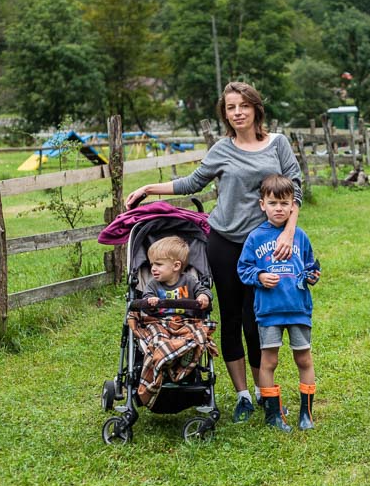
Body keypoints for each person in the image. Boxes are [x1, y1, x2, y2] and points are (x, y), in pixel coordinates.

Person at [125, 81, 303, 423]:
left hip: (264, 246)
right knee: (233, 319)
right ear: (225, 114)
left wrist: (289, 232)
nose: (237, 112)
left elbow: (296, 188)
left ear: (256, 109)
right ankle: (243, 396)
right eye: (230, 107)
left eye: (243, 106)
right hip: (223, 241)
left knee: (259, 321)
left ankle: (268, 393)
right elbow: (192, 183)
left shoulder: (277, 145)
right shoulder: (222, 148)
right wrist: (148, 188)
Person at [237, 174, 320, 432]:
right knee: (268, 361)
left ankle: (306, 414)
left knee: (304, 359)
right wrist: (260, 276)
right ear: (262, 204)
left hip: (297, 309)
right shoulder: (255, 238)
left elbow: (311, 265)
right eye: (273, 203)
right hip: (269, 311)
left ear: (292, 206)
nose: (279, 208)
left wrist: (312, 274)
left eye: (285, 203)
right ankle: (272, 415)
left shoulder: (300, 236)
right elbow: (243, 269)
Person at [143, 236, 211, 313]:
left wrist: (203, 295)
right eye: (152, 264)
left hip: (187, 321)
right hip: (160, 321)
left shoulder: (189, 280)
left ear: (176, 266)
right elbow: (145, 302)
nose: (153, 269)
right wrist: (150, 302)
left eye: (158, 264)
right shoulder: (152, 284)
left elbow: (204, 290)